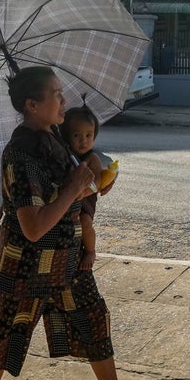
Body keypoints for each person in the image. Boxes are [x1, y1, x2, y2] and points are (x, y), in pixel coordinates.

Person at [0, 66, 168, 380]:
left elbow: (71, 191)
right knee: (5, 331)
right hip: (25, 265)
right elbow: (33, 226)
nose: (64, 100)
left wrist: (91, 186)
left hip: (68, 260)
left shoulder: (54, 138)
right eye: (56, 95)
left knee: (94, 322)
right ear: (32, 105)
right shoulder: (21, 154)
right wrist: (75, 186)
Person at [60, 104, 114, 271]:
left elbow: (96, 182)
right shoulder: (66, 155)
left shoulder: (92, 158)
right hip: (70, 197)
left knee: (85, 222)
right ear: (67, 136)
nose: (83, 140)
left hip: (86, 198)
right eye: (77, 135)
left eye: (88, 135)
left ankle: (90, 251)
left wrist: (83, 192)